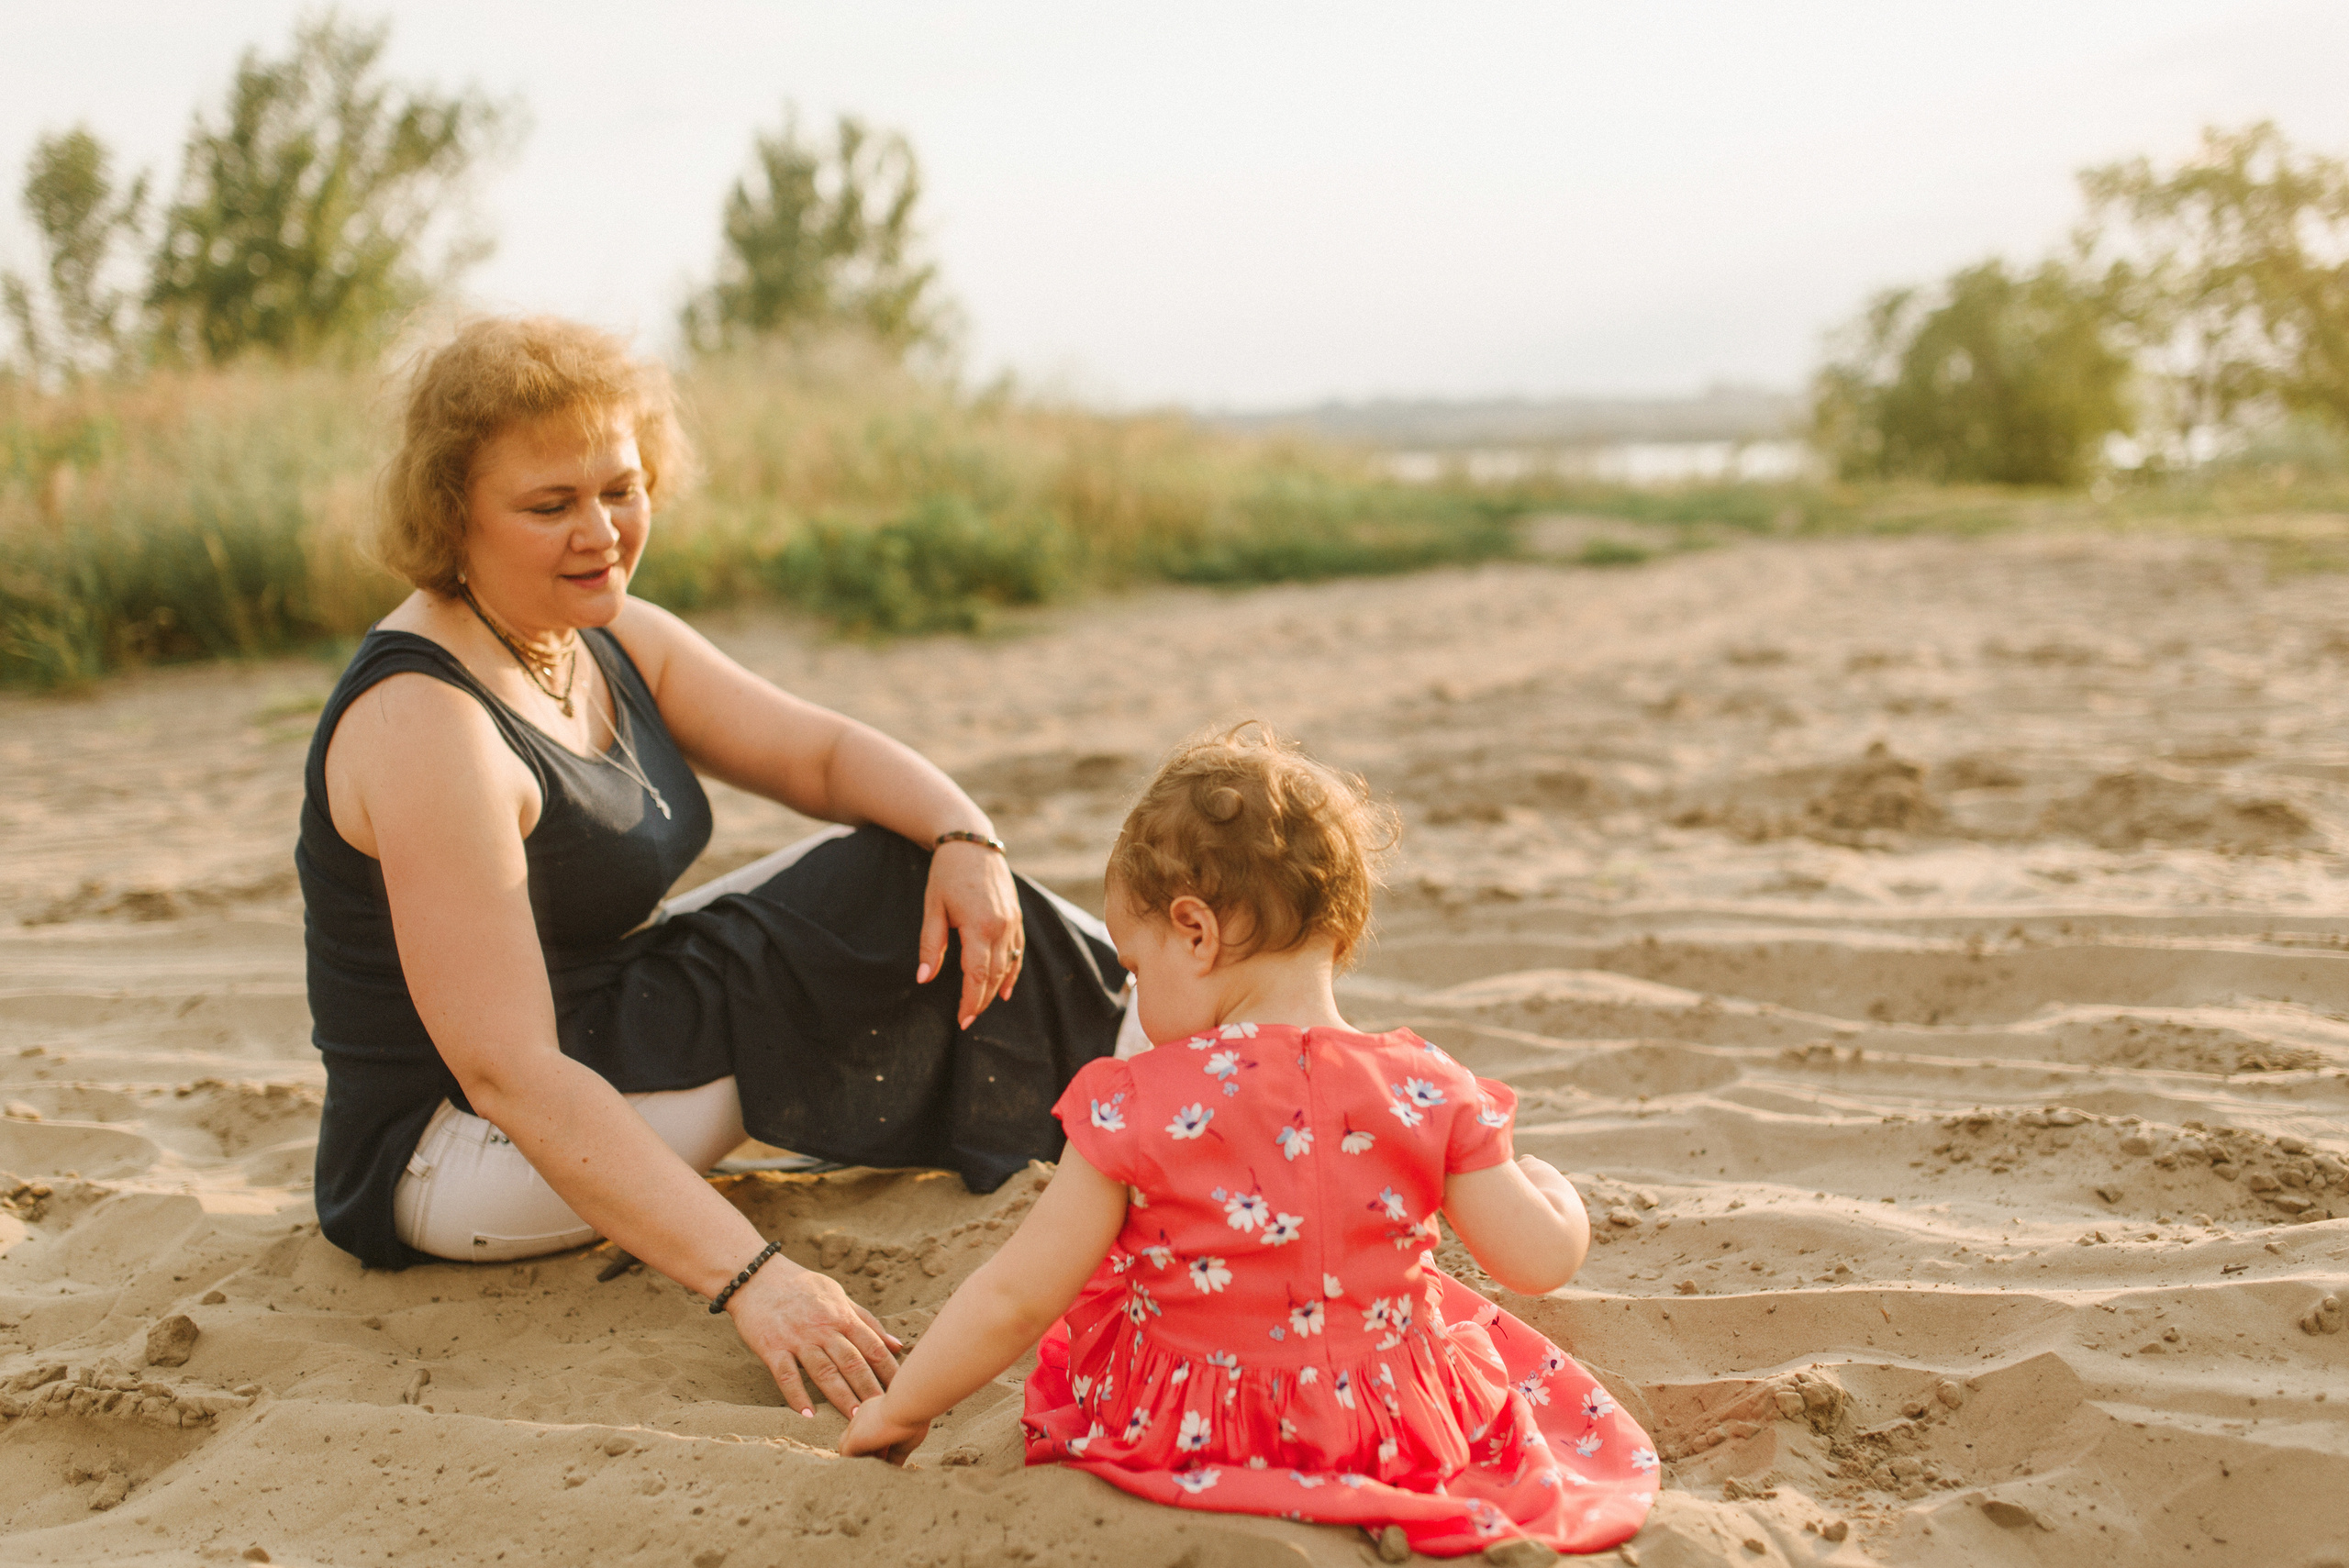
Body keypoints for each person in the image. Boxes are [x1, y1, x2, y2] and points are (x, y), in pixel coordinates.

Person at [297, 316, 1127, 1422]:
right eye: (549, 505)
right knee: (840, 929)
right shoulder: (426, 723)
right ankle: (1174, 1099)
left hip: (595, 1029)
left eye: (620, 488)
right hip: (460, 1153)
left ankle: (1176, 1069)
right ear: (450, 513)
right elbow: (507, 1071)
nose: (600, 532)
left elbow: (821, 754)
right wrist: (757, 1278)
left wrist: (966, 834)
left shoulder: (600, 631)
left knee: (899, 861)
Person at [840, 726, 1656, 1557]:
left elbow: (1015, 1296)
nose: (1135, 993)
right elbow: (1538, 1261)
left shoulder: (1135, 1102)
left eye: (1133, 967)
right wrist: (1555, 1191)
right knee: (1443, 1311)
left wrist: (902, 1408)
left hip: (1192, 1433)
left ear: (1194, 931)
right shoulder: (1426, 1089)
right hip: (1391, 1436)